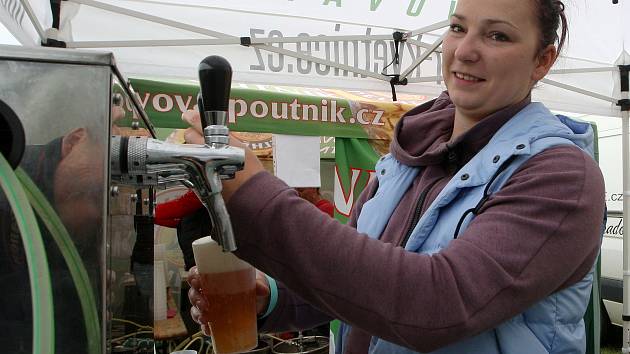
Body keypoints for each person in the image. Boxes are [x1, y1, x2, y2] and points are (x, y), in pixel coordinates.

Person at [186, 0, 606, 352]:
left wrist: (256, 198)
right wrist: (273, 298)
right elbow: (363, 282)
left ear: (542, 61)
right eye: (458, 28)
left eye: (497, 35)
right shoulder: (408, 155)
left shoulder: (560, 176)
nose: (464, 50)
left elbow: (438, 303)